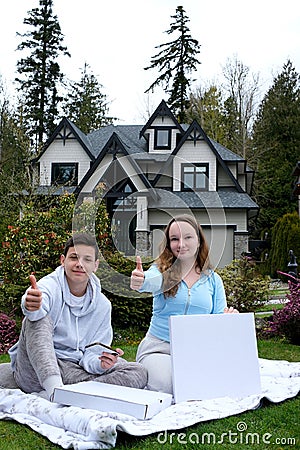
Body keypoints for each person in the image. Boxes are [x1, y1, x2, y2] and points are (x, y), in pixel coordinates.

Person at [9, 233, 147, 401]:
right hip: (38, 369)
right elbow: (36, 304)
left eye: (87, 259)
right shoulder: (50, 286)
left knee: (137, 372)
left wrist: (101, 364)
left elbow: (92, 354)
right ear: (63, 260)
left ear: (95, 265)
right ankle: (56, 391)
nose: (79, 264)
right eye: (74, 257)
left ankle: (77, 393)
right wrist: (31, 305)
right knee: (38, 318)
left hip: (74, 370)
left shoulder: (102, 305)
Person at [130, 214, 238, 395]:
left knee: (215, 381)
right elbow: (150, 280)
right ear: (168, 244)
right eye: (174, 239)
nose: (181, 244)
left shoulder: (213, 280)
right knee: (169, 383)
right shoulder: (161, 271)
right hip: (160, 349)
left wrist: (228, 318)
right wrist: (140, 281)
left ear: (198, 241)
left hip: (198, 350)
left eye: (188, 237)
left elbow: (218, 319)